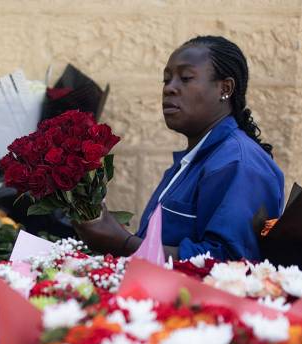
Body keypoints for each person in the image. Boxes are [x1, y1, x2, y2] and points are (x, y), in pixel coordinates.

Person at [73, 35, 284, 261]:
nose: (169, 89)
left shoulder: (238, 164)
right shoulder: (197, 158)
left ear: (225, 88)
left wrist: (123, 243)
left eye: (185, 78)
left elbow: (231, 263)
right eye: (166, 80)